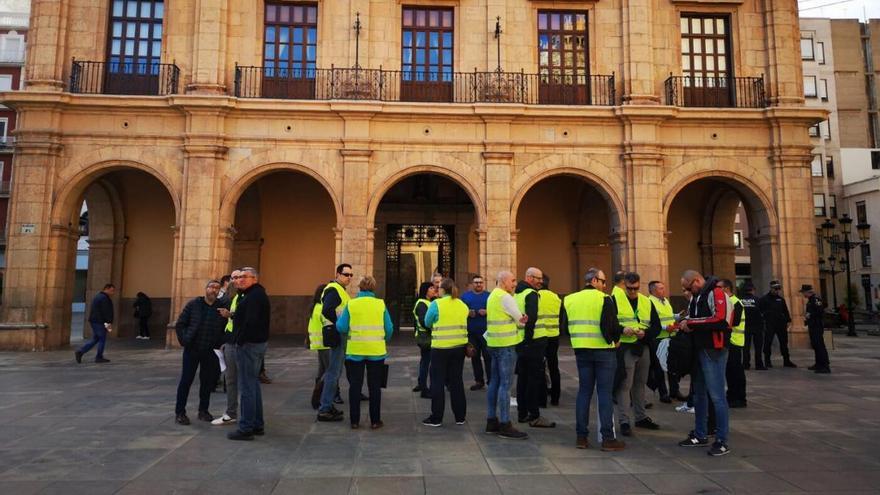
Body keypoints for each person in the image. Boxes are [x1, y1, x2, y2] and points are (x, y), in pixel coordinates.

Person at [561, 267, 625, 451]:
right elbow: (611, 324)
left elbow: (565, 326)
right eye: (603, 282)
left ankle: (581, 437)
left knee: (584, 392)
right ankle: (607, 439)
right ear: (595, 281)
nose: (605, 286)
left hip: (581, 350)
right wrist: (616, 340)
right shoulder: (605, 298)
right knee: (604, 393)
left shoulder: (570, 299)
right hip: (603, 351)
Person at [678, 270, 732, 457]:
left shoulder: (716, 293)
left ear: (696, 281)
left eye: (687, 287)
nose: (687, 292)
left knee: (717, 396)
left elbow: (720, 319)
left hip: (713, 350)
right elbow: (695, 318)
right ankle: (700, 434)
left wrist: (691, 323)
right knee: (699, 393)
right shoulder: (697, 296)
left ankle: (722, 440)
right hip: (699, 349)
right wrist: (686, 321)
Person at [336, 275, 394, 429]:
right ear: (374, 288)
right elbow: (389, 328)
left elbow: (341, 327)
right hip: (376, 351)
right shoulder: (380, 304)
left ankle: (354, 421)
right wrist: (383, 339)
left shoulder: (351, 304)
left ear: (359, 288)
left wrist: (339, 320)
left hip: (355, 351)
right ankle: (375, 421)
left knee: (355, 386)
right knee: (374, 387)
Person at [613, 272, 661, 436]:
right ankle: (624, 421)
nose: (632, 291)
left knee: (640, 383)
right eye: (629, 288)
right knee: (625, 385)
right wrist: (622, 329)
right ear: (624, 285)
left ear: (639, 285)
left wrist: (645, 334)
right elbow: (609, 322)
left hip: (642, 346)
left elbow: (656, 326)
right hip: (626, 347)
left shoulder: (646, 302)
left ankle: (640, 417)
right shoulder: (615, 300)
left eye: (635, 288)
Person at [174, 280, 227, 425]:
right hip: (192, 349)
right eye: (211, 287)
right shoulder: (194, 305)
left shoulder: (221, 308)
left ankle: (203, 410)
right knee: (186, 381)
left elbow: (225, 328)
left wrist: (220, 342)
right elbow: (180, 324)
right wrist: (185, 340)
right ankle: (180, 412)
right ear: (206, 289)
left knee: (207, 382)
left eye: (217, 288)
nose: (214, 290)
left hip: (209, 350)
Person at [227, 267, 271, 441]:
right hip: (256, 343)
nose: (240, 280)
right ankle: (257, 424)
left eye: (245, 277)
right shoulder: (254, 294)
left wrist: (239, 339)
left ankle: (246, 427)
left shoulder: (254, 296)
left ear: (255, 278)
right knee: (253, 385)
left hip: (249, 345)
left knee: (246, 387)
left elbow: (250, 321)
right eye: (238, 278)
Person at [485, 271, 529, 439]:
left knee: (494, 382)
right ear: (503, 281)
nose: (515, 283)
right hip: (506, 346)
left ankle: (491, 420)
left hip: (494, 344)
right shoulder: (506, 297)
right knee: (506, 384)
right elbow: (520, 321)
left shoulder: (492, 296)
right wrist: (523, 319)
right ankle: (505, 423)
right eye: (512, 280)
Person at [422, 277, 469, 427]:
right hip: (459, 347)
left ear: (442, 289)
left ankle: (436, 417)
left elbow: (427, 322)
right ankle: (460, 417)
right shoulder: (462, 304)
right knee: (456, 382)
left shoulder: (436, 304)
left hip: (440, 348)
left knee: (437, 382)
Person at [515, 267, 555, 428]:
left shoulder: (517, 293)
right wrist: (529, 340)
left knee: (522, 379)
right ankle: (534, 415)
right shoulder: (531, 294)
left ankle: (522, 413)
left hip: (521, 342)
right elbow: (531, 319)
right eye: (538, 278)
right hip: (534, 343)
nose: (541, 281)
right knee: (534, 379)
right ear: (529, 277)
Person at [317, 263, 354, 422]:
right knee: (333, 372)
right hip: (336, 334)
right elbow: (327, 310)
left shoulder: (341, 291)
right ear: (338, 274)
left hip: (336, 333)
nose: (349, 278)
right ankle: (324, 408)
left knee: (334, 371)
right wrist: (340, 324)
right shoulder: (334, 289)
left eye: (351, 275)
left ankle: (327, 404)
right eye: (346, 274)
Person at [648, 280, 685, 402]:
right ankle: (663, 393)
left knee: (672, 365)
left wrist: (677, 316)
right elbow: (651, 321)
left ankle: (675, 391)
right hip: (658, 338)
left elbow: (667, 316)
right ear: (653, 290)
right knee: (659, 367)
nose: (664, 290)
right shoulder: (649, 302)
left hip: (670, 336)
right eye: (660, 288)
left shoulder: (665, 301)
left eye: (664, 288)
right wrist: (665, 327)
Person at [213, 270, 242, 426]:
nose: (237, 280)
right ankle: (232, 411)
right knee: (231, 379)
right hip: (230, 343)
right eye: (235, 278)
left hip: (239, 343)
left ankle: (236, 411)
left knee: (236, 380)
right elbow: (221, 323)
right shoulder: (228, 300)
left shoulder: (243, 298)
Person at [719, 279, 747, 408]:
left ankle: (739, 398)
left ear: (726, 288)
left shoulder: (735, 302)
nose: (717, 290)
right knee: (729, 371)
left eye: (719, 287)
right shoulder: (728, 302)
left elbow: (734, 322)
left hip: (734, 341)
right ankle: (731, 395)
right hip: (728, 341)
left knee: (736, 371)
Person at [461, 274, 491, 391]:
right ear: (471, 284)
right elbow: (460, 311)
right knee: (475, 357)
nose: (478, 284)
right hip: (471, 333)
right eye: (476, 282)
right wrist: (467, 312)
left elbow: (496, 310)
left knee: (488, 357)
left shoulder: (489, 296)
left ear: (483, 284)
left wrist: (487, 311)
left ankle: (491, 381)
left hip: (486, 333)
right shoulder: (465, 296)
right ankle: (479, 381)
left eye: (480, 282)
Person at [758, 281, 796, 368]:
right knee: (768, 342)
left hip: (780, 324)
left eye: (778, 289)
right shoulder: (764, 299)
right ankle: (767, 361)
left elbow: (785, 311)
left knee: (783, 342)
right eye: (775, 289)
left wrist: (788, 320)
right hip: (769, 324)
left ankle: (786, 360)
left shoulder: (781, 299)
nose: (777, 291)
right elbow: (759, 311)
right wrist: (764, 318)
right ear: (771, 288)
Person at [75, 284, 116, 364]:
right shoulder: (104, 298)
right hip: (100, 322)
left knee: (96, 339)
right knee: (102, 339)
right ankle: (98, 357)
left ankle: (81, 352)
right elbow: (106, 311)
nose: (113, 292)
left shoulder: (99, 296)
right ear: (106, 289)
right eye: (111, 290)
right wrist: (108, 322)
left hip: (97, 321)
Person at [538, 274, 562, 406]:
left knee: (541, 367)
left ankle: (542, 399)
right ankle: (555, 397)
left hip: (540, 335)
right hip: (554, 335)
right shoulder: (556, 297)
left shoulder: (536, 296)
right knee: (554, 367)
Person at [412, 282, 437, 399]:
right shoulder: (421, 304)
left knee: (425, 362)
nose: (434, 290)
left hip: (428, 337)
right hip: (425, 338)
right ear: (425, 290)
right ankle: (424, 388)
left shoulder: (430, 302)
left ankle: (422, 385)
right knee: (426, 363)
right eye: (431, 288)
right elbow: (424, 322)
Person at [308, 283, 330, 410]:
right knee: (330, 371)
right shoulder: (322, 308)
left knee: (322, 370)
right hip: (325, 343)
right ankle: (318, 396)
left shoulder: (315, 307)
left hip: (319, 343)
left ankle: (318, 396)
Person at [801, 284, 831, 374]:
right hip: (812, 325)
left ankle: (825, 366)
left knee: (819, 345)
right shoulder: (810, 300)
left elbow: (820, 311)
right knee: (815, 345)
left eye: (803, 292)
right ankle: (818, 364)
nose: (803, 294)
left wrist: (810, 315)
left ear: (808, 292)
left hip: (817, 325)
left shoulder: (815, 299)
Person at [739, 282, 766, 370]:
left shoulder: (740, 300)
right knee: (758, 347)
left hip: (745, 326)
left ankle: (746, 364)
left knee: (746, 347)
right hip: (757, 326)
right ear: (753, 290)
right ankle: (759, 364)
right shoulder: (758, 300)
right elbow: (763, 312)